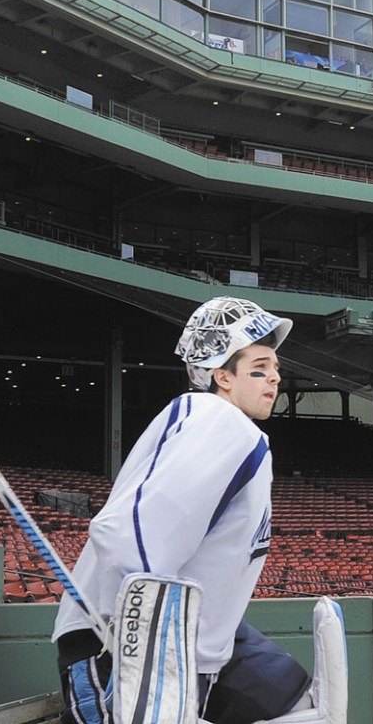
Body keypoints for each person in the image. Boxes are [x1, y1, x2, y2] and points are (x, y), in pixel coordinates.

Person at [52, 296, 312, 724]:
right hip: (131, 649)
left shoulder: (206, 420)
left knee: (290, 695)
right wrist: (140, 651)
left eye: (277, 368)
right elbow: (128, 536)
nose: (275, 379)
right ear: (222, 377)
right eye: (259, 368)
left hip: (192, 643)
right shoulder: (221, 424)